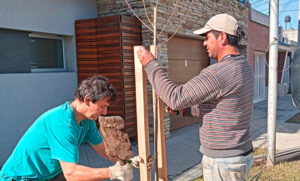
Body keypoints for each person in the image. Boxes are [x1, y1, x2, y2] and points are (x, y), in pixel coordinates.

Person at [137, 14, 254, 181]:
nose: (204, 43)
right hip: (239, 156)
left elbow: (174, 97)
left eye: (207, 37)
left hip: (223, 162)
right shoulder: (244, 67)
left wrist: (150, 64)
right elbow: (223, 110)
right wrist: (185, 111)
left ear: (222, 37)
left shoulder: (218, 72)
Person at [0, 75, 137, 181]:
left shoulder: (87, 121)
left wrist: (128, 161)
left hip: (47, 175)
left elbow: (104, 150)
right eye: (102, 106)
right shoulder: (61, 123)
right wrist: (111, 172)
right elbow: (71, 173)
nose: (105, 113)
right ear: (87, 100)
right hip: (20, 178)